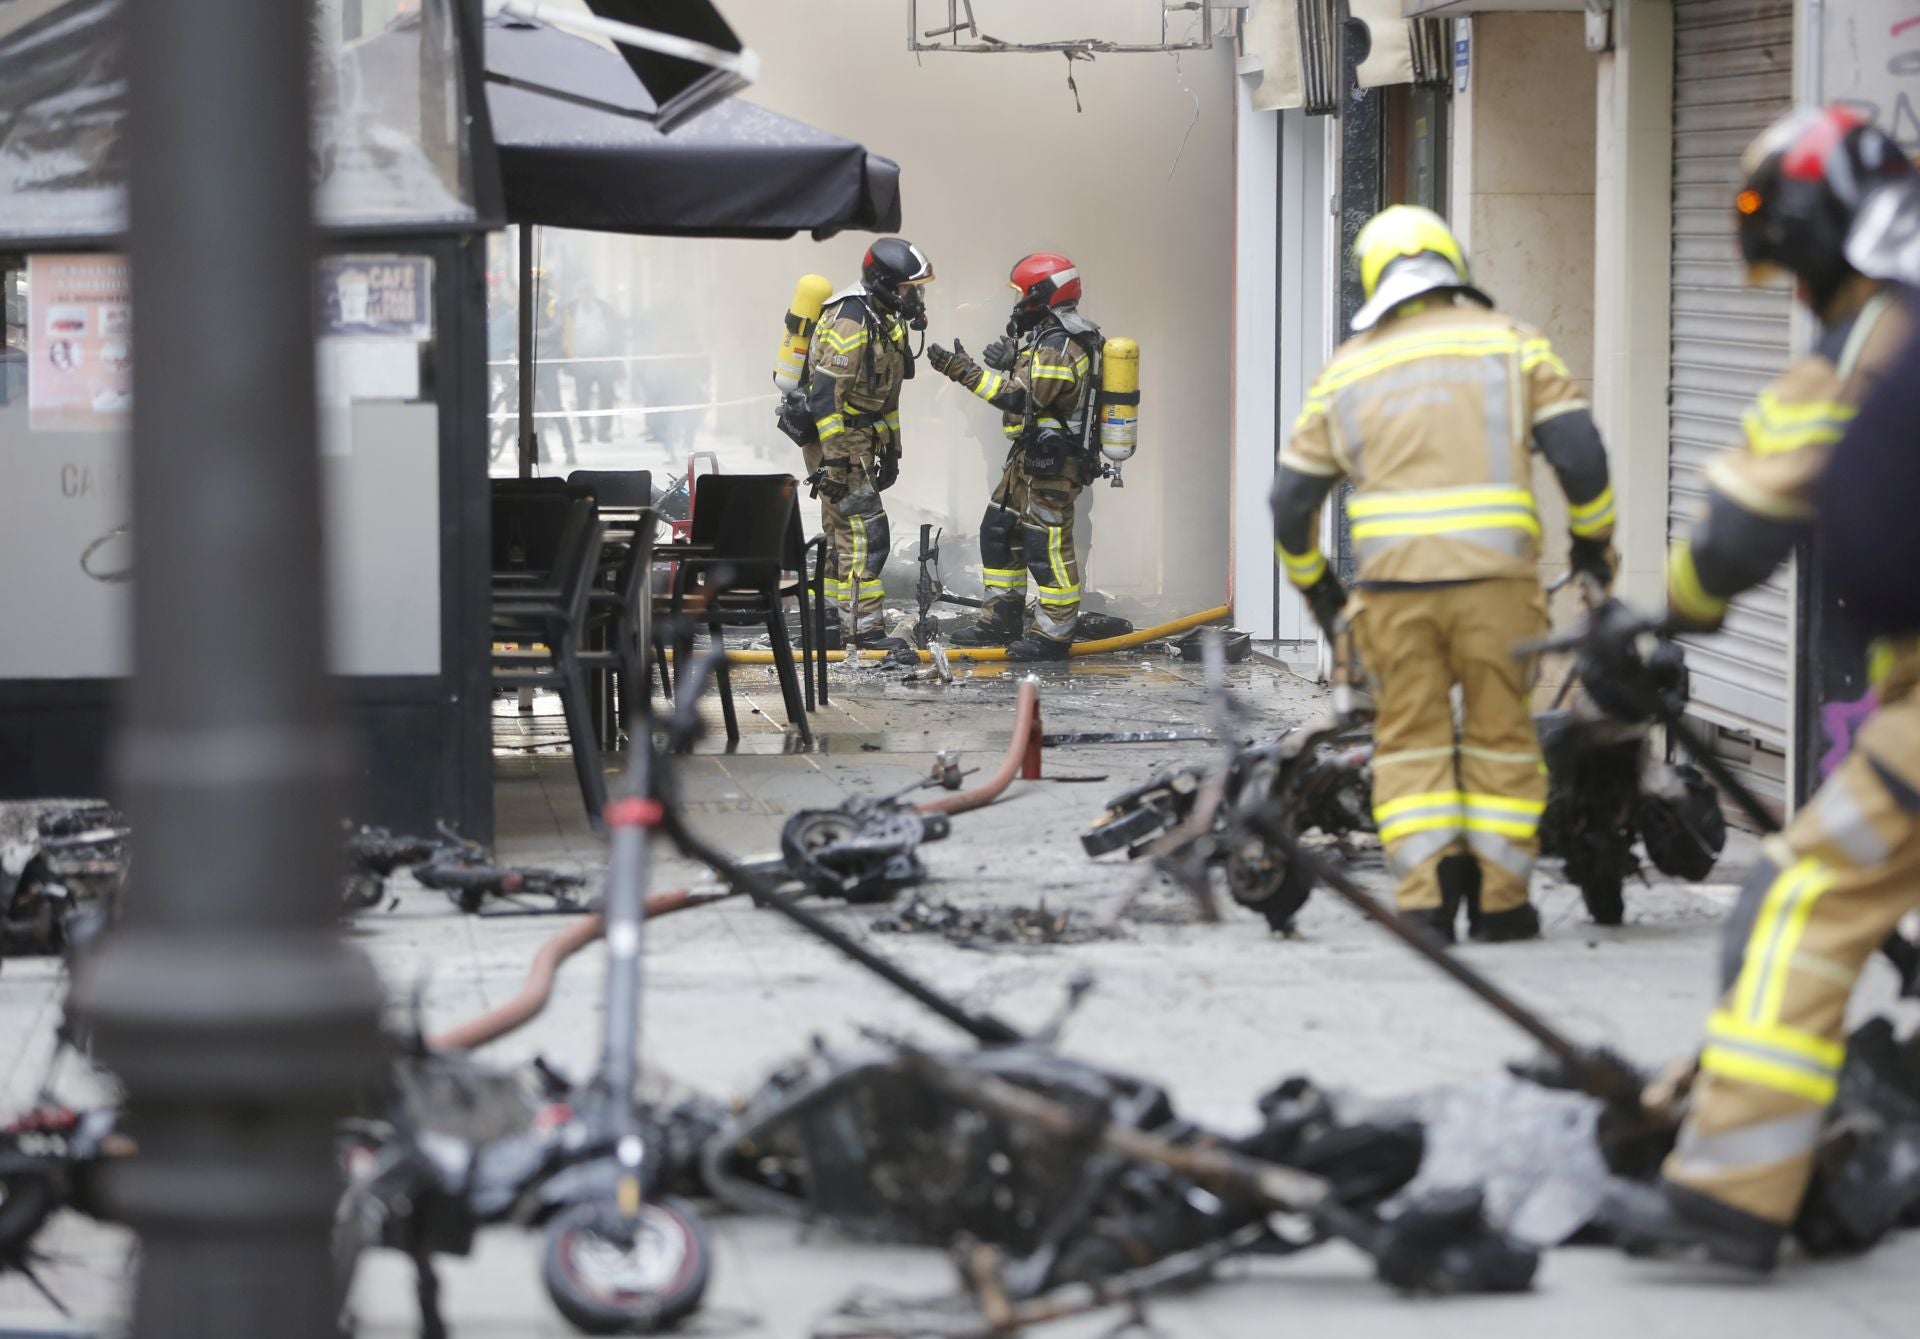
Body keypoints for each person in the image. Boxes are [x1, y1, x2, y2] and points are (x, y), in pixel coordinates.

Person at [1604, 106, 1918, 1272]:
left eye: (1789, 256)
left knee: (1803, 900)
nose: (1793, 287)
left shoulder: (1877, 333)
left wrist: (1660, 614)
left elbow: (1734, 538)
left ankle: (1734, 1192)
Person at [1268, 206, 1616, 944]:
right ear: (1452, 266)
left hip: (1393, 599)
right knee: (1501, 737)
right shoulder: (1512, 344)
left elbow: (1290, 502)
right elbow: (1582, 455)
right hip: (1499, 590)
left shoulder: (1349, 369)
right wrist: (1592, 545)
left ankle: (1427, 902)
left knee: (1412, 740)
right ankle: (1502, 905)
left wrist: (1323, 594)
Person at [929, 253, 1103, 661]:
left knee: (1047, 547)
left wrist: (962, 370)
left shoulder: (1062, 343)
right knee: (998, 529)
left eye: (1022, 295)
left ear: (1042, 296)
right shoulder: (1049, 337)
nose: (1018, 304)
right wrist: (1015, 361)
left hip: (1055, 466)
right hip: (1029, 459)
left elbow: (1018, 396)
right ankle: (1000, 619)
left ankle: (1054, 636)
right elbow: (1033, 387)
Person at [803, 238, 933, 653]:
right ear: (884, 284)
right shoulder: (852, 320)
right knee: (865, 535)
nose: (915, 296)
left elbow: (886, 397)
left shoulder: (885, 318)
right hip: (838, 438)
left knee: (841, 532)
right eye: (909, 288)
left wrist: (892, 450)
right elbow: (825, 398)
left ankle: (824, 621)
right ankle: (863, 632)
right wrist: (836, 461)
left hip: (862, 438)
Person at [566, 279, 622, 445]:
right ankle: (586, 432)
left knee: (607, 396)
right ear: (578, 294)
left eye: (587, 292)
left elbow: (616, 331)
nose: (585, 296)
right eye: (581, 292)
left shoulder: (604, 309)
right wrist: (571, 358)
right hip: (581, 359)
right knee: (582, 398)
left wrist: (614, 355)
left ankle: (604, 431)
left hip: (603, 358)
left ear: (592, 293)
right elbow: (566, 335)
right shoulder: (571, 309)